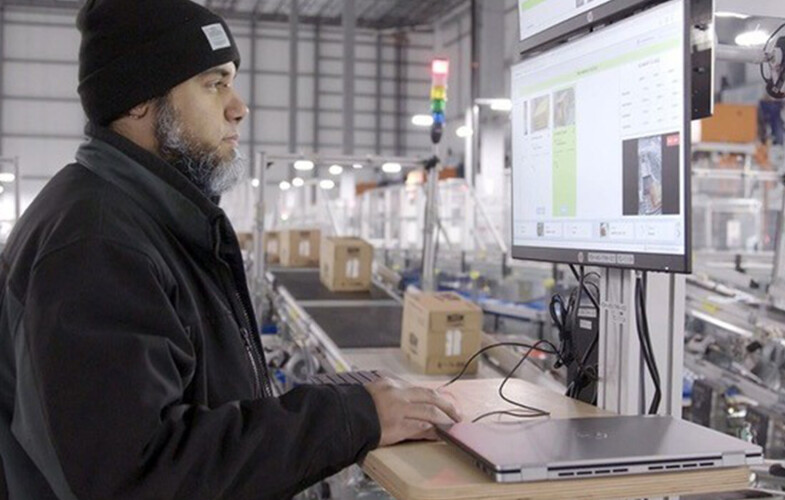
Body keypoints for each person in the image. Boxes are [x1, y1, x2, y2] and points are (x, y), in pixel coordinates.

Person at [0, 1, 461, 499]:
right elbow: (139, 474)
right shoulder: (97, 244)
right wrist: (348, 418)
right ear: (137, 100)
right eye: (214, 83)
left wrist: (341, 404)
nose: (239, 107)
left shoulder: (149, 222)